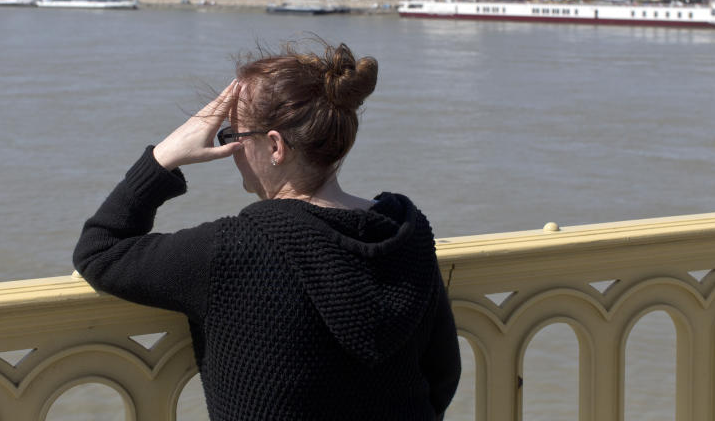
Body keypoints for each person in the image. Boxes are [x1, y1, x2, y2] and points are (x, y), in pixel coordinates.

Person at [73, 41, 460, 420]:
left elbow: (100, 251)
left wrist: (164, 157)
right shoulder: (404, 231)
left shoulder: (233, 250)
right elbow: (443, 375)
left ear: (276, 146)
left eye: (233, 138)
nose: (231, 152)